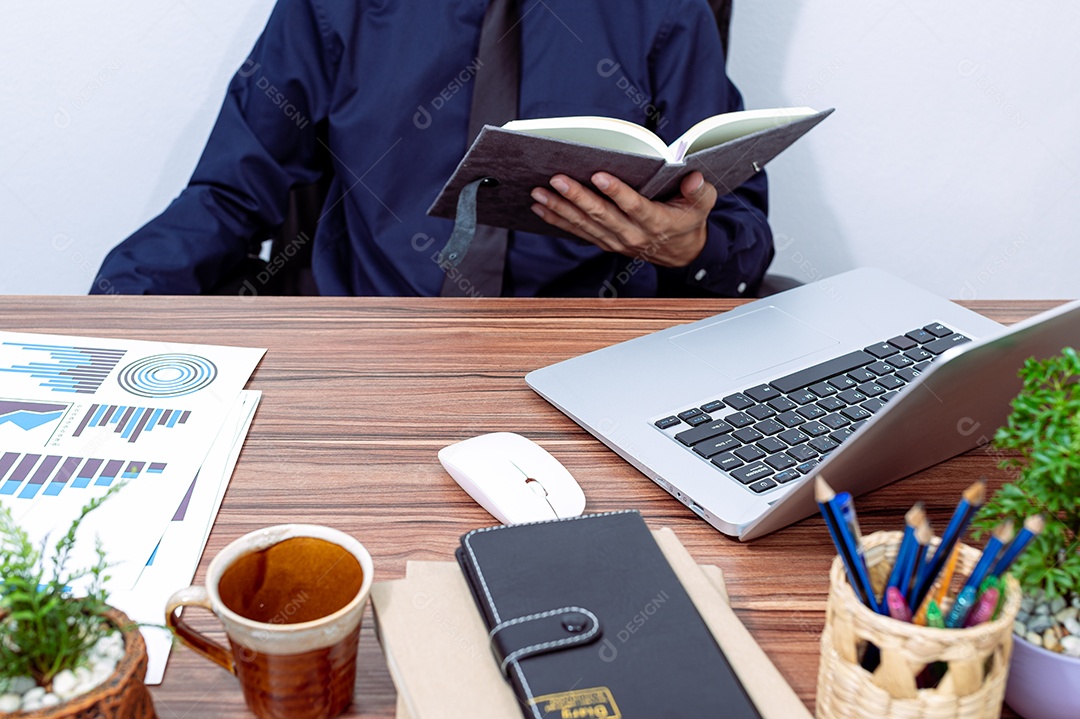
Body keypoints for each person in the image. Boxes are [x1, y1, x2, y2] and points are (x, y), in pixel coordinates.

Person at [91, 0, 773, 298]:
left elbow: (743, 234)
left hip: (584, 359)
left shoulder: (667, 11)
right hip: (368, 347)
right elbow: (232, 193)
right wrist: (106, 315)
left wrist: (688, 247)